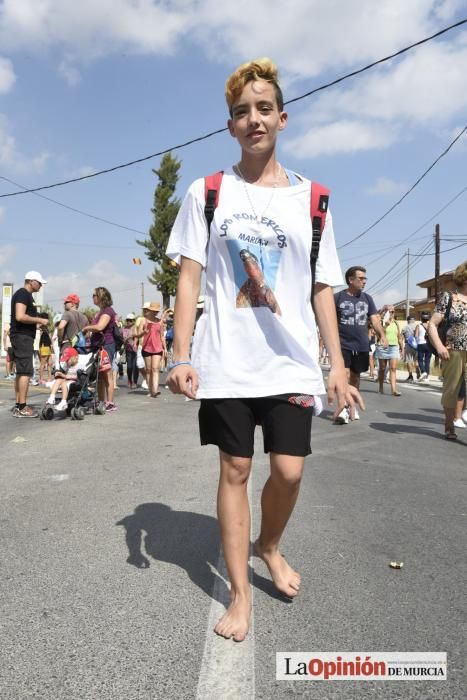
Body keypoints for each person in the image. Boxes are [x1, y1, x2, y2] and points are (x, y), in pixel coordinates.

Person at [166, 58, 362, 642]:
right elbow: (190, 277)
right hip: (226, 360)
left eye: (263, 108)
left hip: (291, 360)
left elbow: (322, 285)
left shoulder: (314, 200)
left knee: (289, 471)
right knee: (235, 468)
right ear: (230, 126)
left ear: (282, 117)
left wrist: (338, 365)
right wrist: (180, 353)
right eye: (241, 112)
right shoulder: (208, 193)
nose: (254, 119)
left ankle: (268, 545)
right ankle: (241, 595)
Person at [334, 266, 387, 423]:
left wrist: (382, 335)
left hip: (362, 345)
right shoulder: (337, 298)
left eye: (365, 278)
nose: (364, 281)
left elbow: (375, 319)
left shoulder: (367, 298)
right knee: (344, 376)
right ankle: (342, 409)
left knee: (355, 378)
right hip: (342, 344)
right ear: (351, 280)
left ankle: (351, 406)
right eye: (361, 278)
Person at [428, 261, 467, 440]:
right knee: (452, 390)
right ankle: (449, 423)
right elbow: (432, 324)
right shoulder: (449, 297)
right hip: (454, 350)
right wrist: (439, 346)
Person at [10, 271, 49, 417]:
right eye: (39, 283)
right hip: (22, 338)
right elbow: (20, 316)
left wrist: (36, 325)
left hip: (23, 336)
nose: (40, 286)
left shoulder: (26, 296)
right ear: (31, 281)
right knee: (26, 371)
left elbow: (23, 319)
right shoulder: (23, 294)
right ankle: (22, 407)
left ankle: (19, 405)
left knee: (21, 372)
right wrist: (39, 320)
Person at [81, 286, 118, 412]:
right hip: (98, 345)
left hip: (106, 345)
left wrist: (87, 328)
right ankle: (101, 402)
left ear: (101, 297)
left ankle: (110, 402)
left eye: (94, 295)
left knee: (107, 374)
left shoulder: (108, 311)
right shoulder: (100, 311)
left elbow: (100, 326)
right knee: (100, 376)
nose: (93, 297)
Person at [136, 301, 167, 397]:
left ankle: (155, 390)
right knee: (148, 370)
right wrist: (143, 332)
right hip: (146, 347)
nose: (155, 312)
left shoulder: (159, 322)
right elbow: (138, 334)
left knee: (155, 369)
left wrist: (165, 348)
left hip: (157, 348)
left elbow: (162, 336)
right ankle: (150, 390)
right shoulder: (143, 321)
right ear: (149, 311)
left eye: (156, 311)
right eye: (153, 310)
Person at [375, 306, 403, 396]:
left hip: (394, 347)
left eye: (393, 312)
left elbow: (399, 337)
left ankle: (394, 390)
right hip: (383, 347)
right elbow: (378, 334)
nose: (391, 313)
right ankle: (380, 387)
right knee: (382, 369)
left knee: (393, 368)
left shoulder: (396, 323)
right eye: (390, 312)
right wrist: (385, 325)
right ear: (386, 313)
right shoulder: (381, 322)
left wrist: (402, 348)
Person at [46, 346, 79, 411]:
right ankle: (52, 397)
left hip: (75, 381)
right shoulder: (67, 365)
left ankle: (64, 402)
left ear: (75, 357)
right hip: (67, 380)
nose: (66, 361)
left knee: (64, 383)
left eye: (68, 359)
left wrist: (66, 376)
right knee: (58, 380)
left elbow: (79, 377)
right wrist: (58, 373)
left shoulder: (79, 365)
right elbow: (64, 374)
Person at [401, 315, 420, 382]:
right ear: (414, 320)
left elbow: (401, 338)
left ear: (408, 321)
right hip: (417, 345)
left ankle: (410, 376)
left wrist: (401, 349)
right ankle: (418, 370)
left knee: (409, 360)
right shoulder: (418, 326)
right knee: (416, 360)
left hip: (408, 345)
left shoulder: (405, 328)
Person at [415, 311, 432, 381]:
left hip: (421, 344)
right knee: (427, 361)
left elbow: (416, 336)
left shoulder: (418, 326)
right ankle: (427, 377)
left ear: (421, 318)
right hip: (429, 345)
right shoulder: (430, 326)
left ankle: (423, 372)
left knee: (420, 360)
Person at [123, 313, 139, 388]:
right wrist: (125, 340)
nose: (129, 321)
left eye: (130, 320)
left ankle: (135, 382)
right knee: (129, 367)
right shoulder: (124, 328)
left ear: (133, 321)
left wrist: (135, 344)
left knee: (135, 366)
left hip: (135, 349)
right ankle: (130, 379)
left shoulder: (135, 327)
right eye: (128, 320)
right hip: (128, 350)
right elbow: (122, 338)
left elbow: (136, 337)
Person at [37, 312, 53, 383]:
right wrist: (42, 321)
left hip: (48, 345)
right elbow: (38, 326)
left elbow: (50, 335)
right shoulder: (40, 325)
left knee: (50, 363)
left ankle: (49, 378)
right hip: (44, 346)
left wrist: (51, 344)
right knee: (43, 363)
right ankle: (41, 379)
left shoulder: (46, 327)